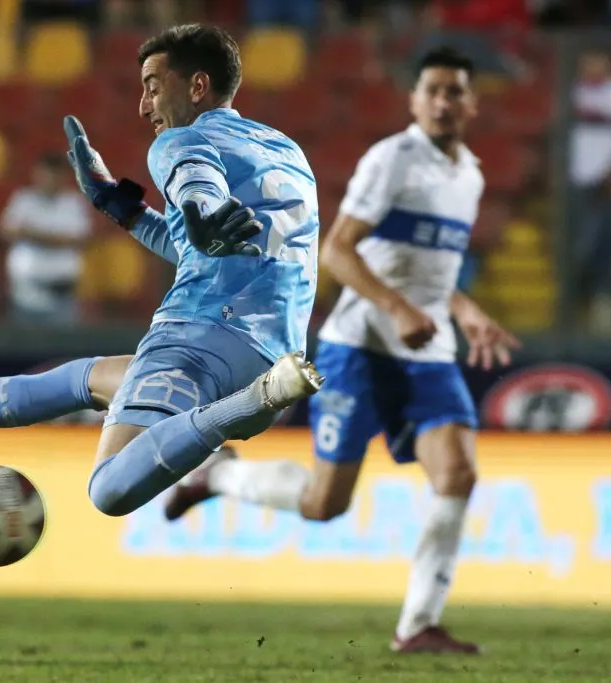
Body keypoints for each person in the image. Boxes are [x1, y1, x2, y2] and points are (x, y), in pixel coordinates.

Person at [0, 24, 322, 518]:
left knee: (108, 489)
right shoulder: (285, 151)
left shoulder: (180, 141)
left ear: (197, 87)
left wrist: (200, 214)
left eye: (154, 86)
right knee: (83, 380)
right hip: (271, 349)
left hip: (200, 344)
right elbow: (199, 244)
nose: (144, 105)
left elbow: (196, 187)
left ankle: (246, 414)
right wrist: (121, 206)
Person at [162, 46, 522, 655]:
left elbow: (435, 271)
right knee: (325, 503)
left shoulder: (470, 175)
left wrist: (466, 310)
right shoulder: (391, 160)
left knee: (458, 473)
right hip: (362, 346)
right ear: (414, 100)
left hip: (426, 351)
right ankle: (222, 474)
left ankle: (417, 626)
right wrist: (400, 309)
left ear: (471, 102)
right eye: (432, 89)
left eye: (455, 91)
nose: (443, 101)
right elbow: (337, 252)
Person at [0, 152, 93, 325]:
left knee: (64, 346)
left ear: (64, 176)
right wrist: (55, 239)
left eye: (55, 174)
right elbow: (7, 232)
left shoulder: (73, 203)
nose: (50, 179)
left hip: (63, 288)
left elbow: (78, 239)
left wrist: (30, 234)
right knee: (22, 346)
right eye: (46, 173)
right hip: (26, 287)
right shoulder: (23, 199)